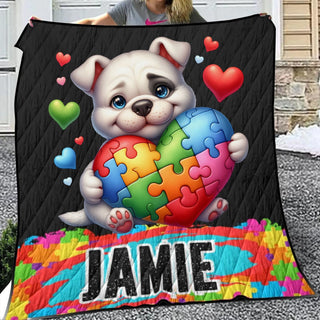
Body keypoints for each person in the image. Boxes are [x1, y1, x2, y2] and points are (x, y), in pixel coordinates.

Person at [30, 0, 206, 26]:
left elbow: (212, 34)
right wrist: (47, 26)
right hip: (136, 77)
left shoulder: (184, 11)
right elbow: (92, 23)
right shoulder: (130, 6)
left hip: (170, 79)